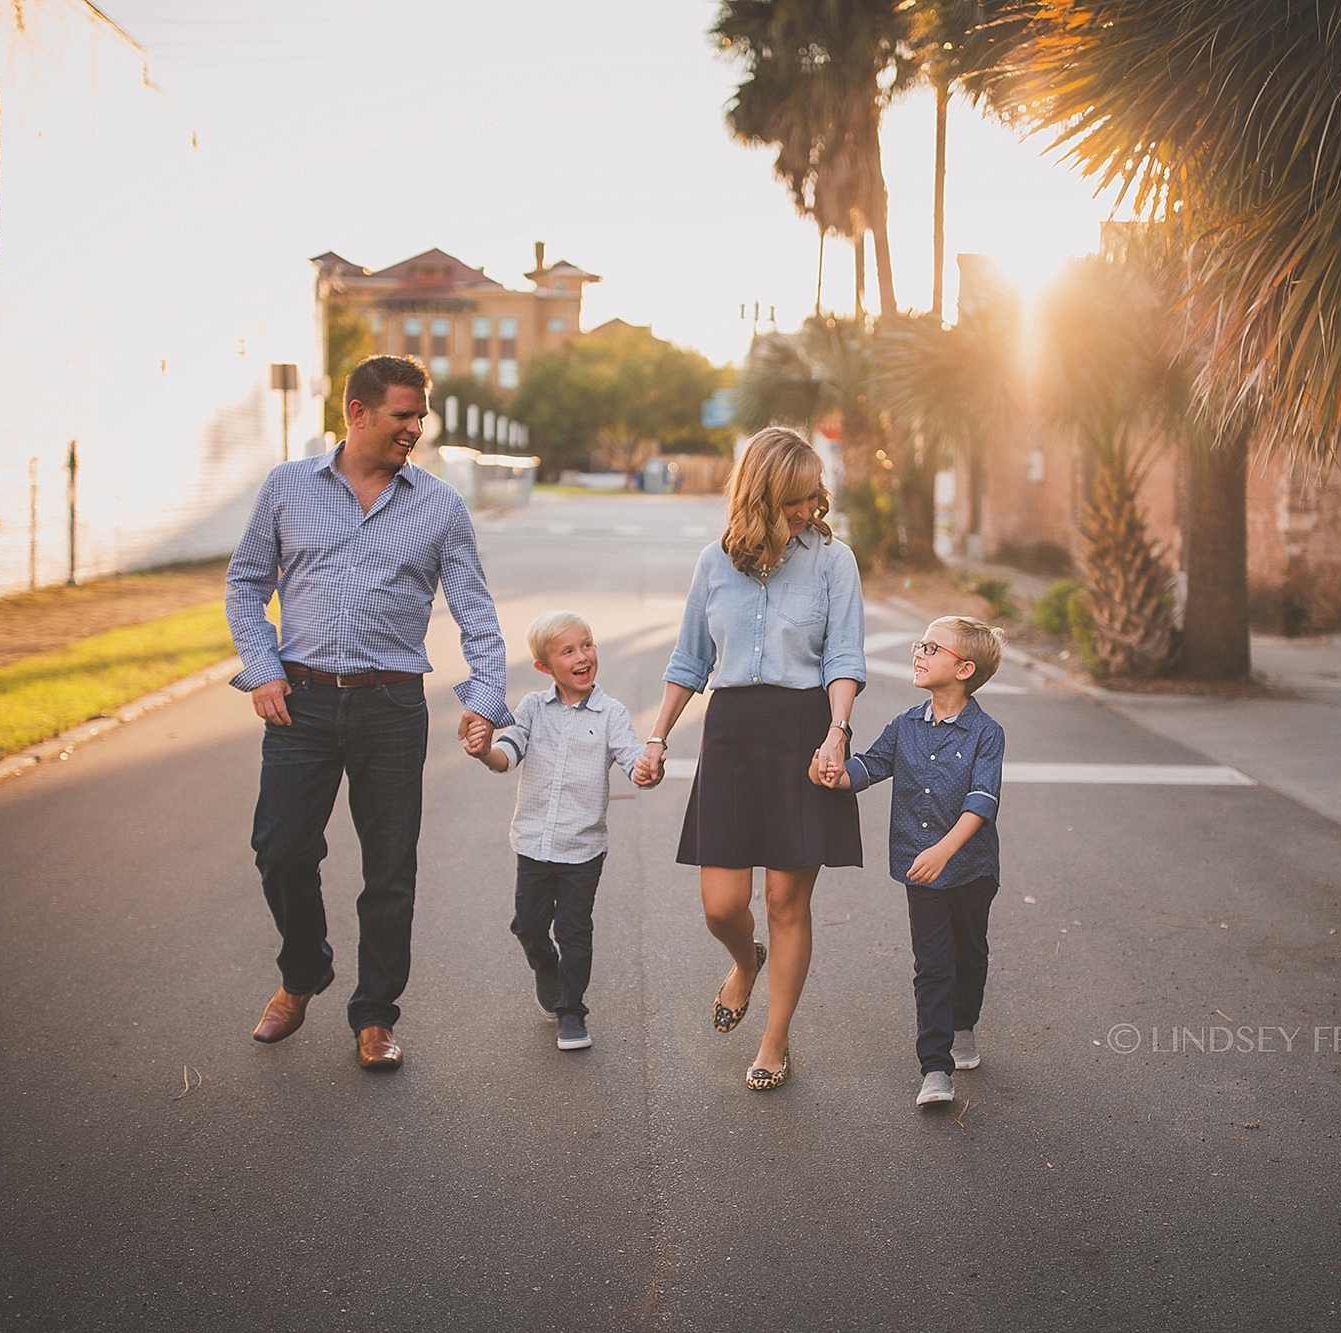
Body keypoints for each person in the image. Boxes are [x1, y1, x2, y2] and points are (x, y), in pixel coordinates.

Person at [225, 354, 512, 1072]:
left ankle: (376, 1015)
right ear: (357, 413)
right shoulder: (289, 488)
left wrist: (484, 698)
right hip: (303, 700)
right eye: (402, 415)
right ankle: (303, 971)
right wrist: (262, 670)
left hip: (392, 705)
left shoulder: (440, 505)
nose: (415, 428)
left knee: (389, 869)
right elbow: (245, 584)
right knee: (280, 849)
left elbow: (476, 612)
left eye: (421, 416)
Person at [637, 425, 865, 1090]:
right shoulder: (714, 562)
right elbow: (689, 660)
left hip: (803, 730)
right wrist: (658, 736)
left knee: (788, 897)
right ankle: (745, 960)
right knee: (721, 903)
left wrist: (837, 731)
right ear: (762, 494)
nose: (808, 508)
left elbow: (844, 656)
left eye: (812, 495)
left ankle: (775, 1039)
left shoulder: (832, 561)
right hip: (731, 733)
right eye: (794, 497)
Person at [812, 616, 1007, 1107]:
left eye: (930, 647)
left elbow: (983, 802)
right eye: (919, 643)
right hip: (918, 869)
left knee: (970, 955)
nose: (917, 652)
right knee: (933, 964)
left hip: (971, 869)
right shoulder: (904, 725)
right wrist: (830, 774)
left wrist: (945, 850)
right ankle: (935, 1068)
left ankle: (964, 1024)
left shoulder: (987, 732)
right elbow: (870, 767)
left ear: (964, 669)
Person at [467, 609, 659, 1051]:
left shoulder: (611, 712)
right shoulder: (533, 708)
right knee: (529, 926)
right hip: (533, 843)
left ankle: (572, 1012)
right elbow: (506, 755)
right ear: (544, 667)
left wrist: (648, 769)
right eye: (568, 651)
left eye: (587, 645)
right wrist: (482, 753)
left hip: (583, 848)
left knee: (575, 929)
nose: (582, 656)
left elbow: (633, 761)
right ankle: (544, 965)